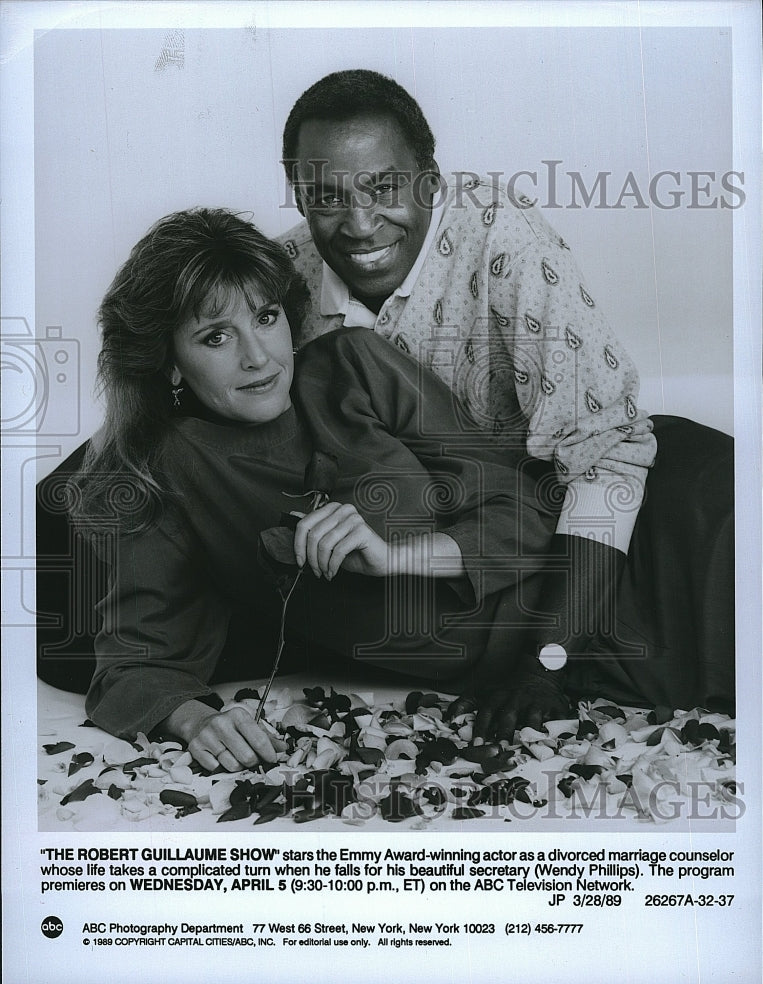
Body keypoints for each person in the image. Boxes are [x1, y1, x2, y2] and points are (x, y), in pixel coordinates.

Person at [277, 68, 735, 732]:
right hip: (481, 553)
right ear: (296, 193)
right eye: (323, 197)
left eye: (384, 187)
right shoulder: (283, 277)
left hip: (621, 514)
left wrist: (543, 663)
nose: (357, 223)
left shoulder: (502, 237)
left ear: (430, 181)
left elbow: (606, 457)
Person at [68, 207, 563, 771]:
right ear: (170, 363)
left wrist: (398, 558)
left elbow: (529, 508)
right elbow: (132, 663)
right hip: (524, 681)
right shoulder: (165, 471)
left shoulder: (355, 363)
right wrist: (197, 720)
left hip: (595, 588)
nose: (258, 357)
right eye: (215, 336)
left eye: (266, 316)